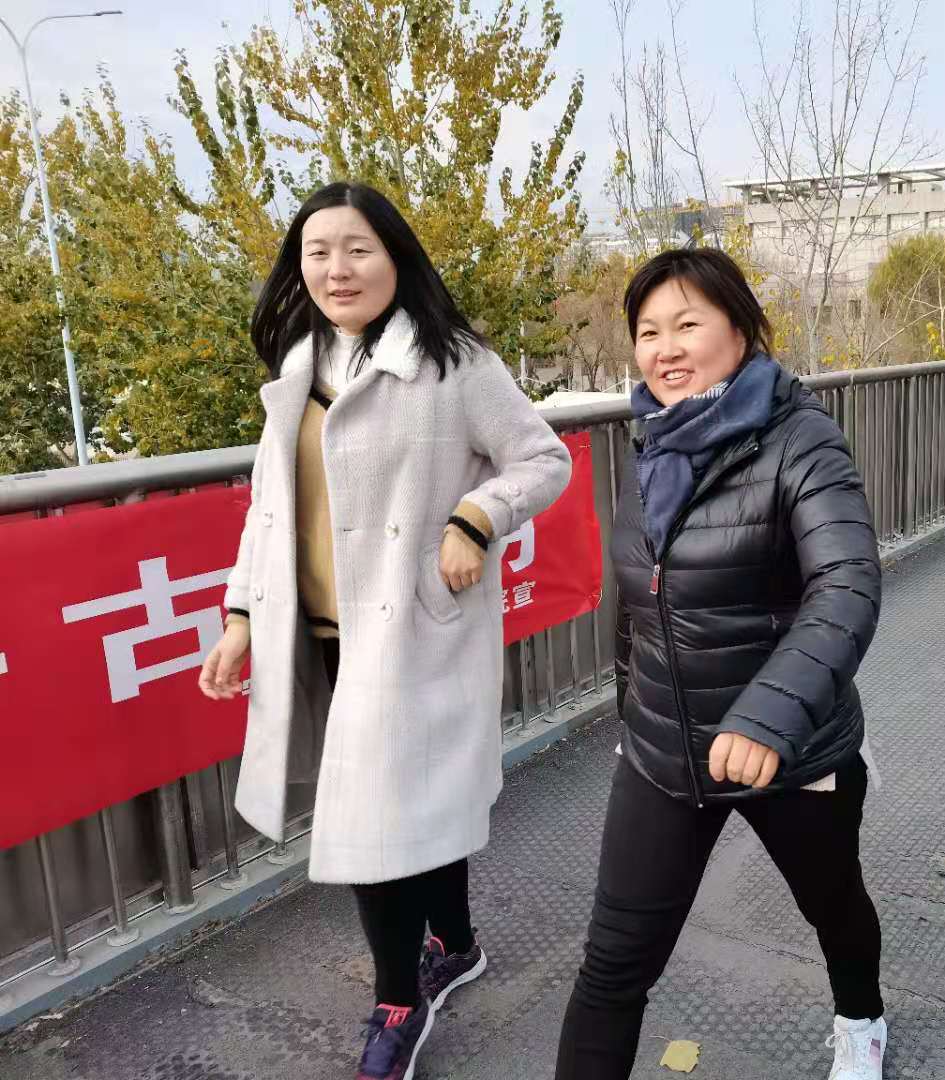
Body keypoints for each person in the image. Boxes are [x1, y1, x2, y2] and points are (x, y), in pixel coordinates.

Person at [197, 181, 572, 1080]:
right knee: (416, 805)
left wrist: (475, 517)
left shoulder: (455, 363)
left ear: (396, 256)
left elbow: (543, 458)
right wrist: (242, 614)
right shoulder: (298, 366)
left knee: (372, 821)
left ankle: (399, 1000)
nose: (338, 268)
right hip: (320, 636)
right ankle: (458, 944)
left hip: (412, 632)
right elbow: (269, 509)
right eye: (318, 251)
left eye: (358, 248)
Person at [553, 249, 886, 1080]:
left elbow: (846, 581)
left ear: (740, 329)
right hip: (664, 752)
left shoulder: (801, 440)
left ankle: (861, 1019)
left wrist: (769, 716)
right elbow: (644, 599)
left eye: (687, 324)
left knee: (833, 906)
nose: (665, 349)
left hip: (788, 749)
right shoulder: (652, 441)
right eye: (648, 331)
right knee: (613, 964)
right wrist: (633, 713)